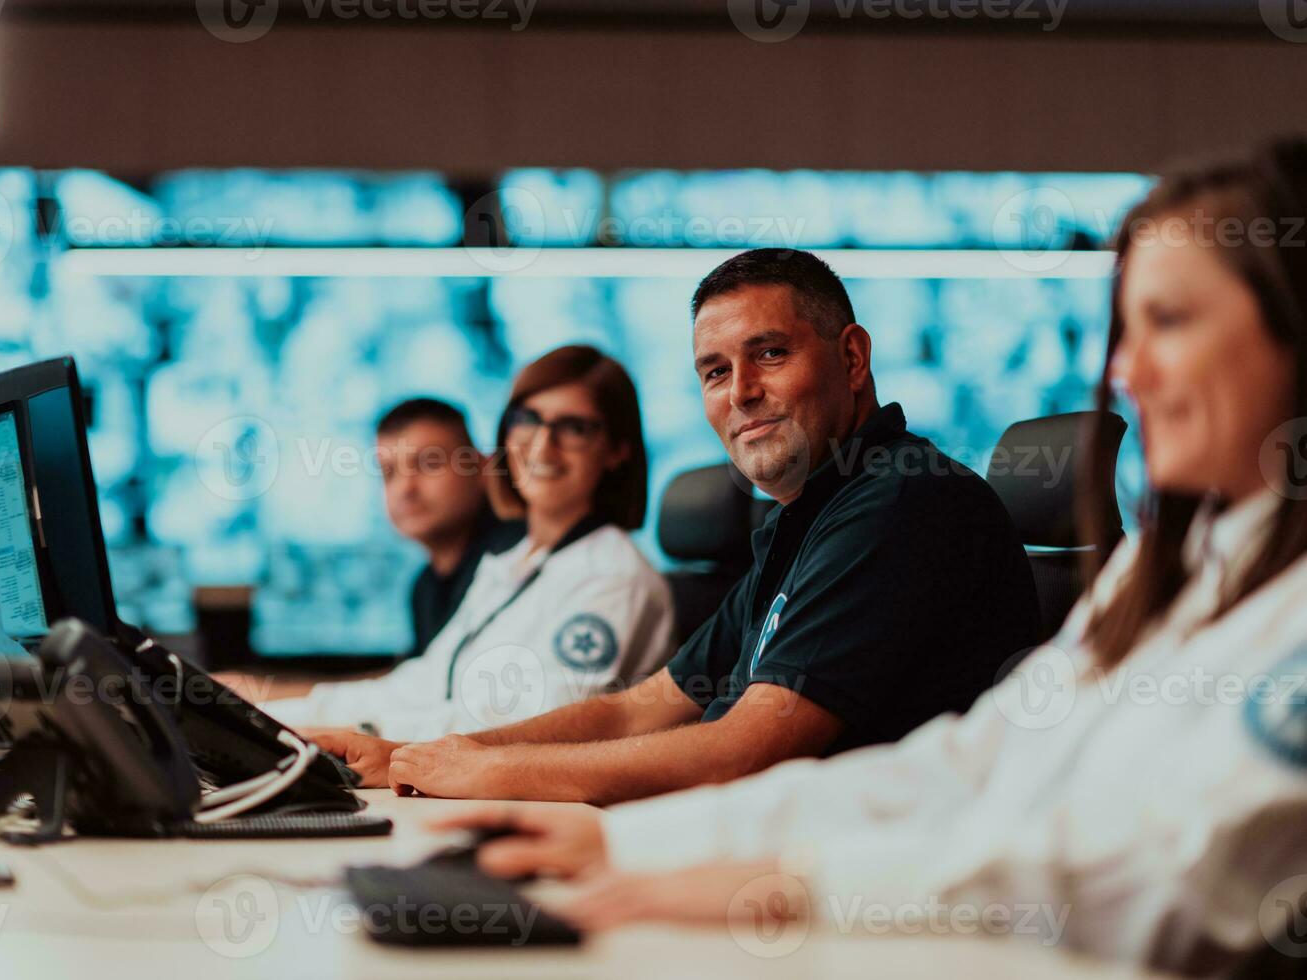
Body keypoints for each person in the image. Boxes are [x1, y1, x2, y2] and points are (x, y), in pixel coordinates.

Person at [430, 140, 1307, 976]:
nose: (1127, 374)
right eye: (1127, 330)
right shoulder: (1168, 564)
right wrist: (629, 843)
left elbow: (1142, 885)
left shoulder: (903, 501)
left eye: (1173, 320)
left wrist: (784, 887)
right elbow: (965, 767)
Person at [376, 248, 1041, 804]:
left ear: (853, 359)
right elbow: (637, 708)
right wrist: (431, 756)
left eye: (771, 354)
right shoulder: (803, 520)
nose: (739, 392)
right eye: (715, 371)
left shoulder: (903, 500)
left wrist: (490, 773)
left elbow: (748, 750)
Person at [262, 345, 675, 783]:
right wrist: (266, 714)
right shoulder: (509, 566)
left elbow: (538, 730)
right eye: (527, 420)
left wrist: (372, 738)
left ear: (616, 451)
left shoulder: (612, 576)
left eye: (573, 428)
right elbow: (422, 684)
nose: (542, 445)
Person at [374, 398, 524, 660]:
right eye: (389, 473)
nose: (404, 489)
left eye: (428, 464)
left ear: (483, 468)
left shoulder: (514, 559)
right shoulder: (425, 587)